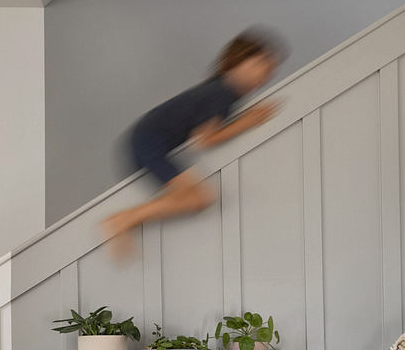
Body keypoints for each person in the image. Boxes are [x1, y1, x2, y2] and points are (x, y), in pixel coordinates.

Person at [103, 28, 286, 255]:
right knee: (200, 197)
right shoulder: (223, 92)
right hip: (148, 141)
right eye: (262, 64)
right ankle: (122, 219)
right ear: (238, 61)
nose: (266, 75)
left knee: (195, 196)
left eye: (271, 70)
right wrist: (247, 121)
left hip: (146, 140)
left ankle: (124, 219)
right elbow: (204, 139)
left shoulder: (220, 90)